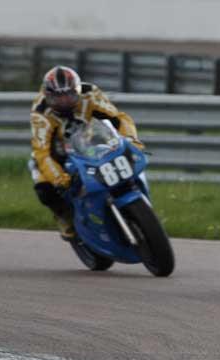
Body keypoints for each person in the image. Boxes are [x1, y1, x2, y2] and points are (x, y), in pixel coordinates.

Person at [29, 65, 143, 240]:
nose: (65, 101)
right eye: (58, 97)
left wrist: (130, 139)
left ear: (77, 90)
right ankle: (63, 215)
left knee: (124, 154)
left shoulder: (90, 93)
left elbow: (118, 118)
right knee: (43, 185)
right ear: (48, 95)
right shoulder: (40, 113)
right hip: (57, 149)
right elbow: (42, 152)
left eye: (69, 95)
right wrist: (59, 178)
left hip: (90, 138)